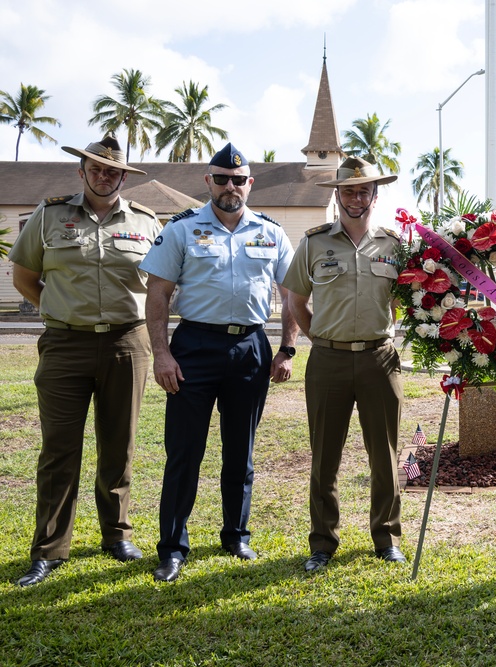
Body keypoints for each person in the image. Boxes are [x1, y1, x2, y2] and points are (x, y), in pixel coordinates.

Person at [140, 143, 299, 583]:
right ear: (207, 181)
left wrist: (286, 348)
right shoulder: (181, 229)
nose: (231, 186)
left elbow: (291, 296)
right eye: (222, 179)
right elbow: (158, 294)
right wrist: (162, 353)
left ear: (250, 184)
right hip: (193, 346)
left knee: (240, 451)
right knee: (184, 452)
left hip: (250, 348)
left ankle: (236, 534)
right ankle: (172, 547)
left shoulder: (271, 232)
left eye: (239, 179)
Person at [9, 134, 160, 587]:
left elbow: (160, 286)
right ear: (82, 172)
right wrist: (61, 311)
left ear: (123, 176)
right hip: (65, 345)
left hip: (126, 344)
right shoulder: (50, 215)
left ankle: (116, 536)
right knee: (59, 449)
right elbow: (24, 276)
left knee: (120, 445)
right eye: (95, 168)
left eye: (112, 170)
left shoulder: (148, 222)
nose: (103, 175)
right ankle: (49, 548)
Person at [281, 157, 406, 569]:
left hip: (379, 360)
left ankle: (386, 537)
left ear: (375, 194)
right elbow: (295, 299)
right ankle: (322, 542)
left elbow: (402, 303)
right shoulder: (315, 243)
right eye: (348, 190)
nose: (356, 197)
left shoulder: (394, 245)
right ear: (337, 195)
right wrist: (318, 336)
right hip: (328, 361)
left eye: (363, 190)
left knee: (384, 456)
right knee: (324, 455)